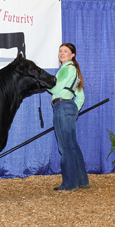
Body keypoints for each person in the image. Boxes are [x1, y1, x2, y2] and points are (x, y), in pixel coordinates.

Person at [48, 43, 89, 191]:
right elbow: (80, 96)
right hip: (69, 107)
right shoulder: (75, 71)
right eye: (60, 51)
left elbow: (56, 88)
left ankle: (70, 183)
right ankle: (82, 180)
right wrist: (73, 111)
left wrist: (42, 82)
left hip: (61, 107)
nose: (61, 53)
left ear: (72, 55)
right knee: (72, 145)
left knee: (65, 147)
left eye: (65, 51)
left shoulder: (66, 70)